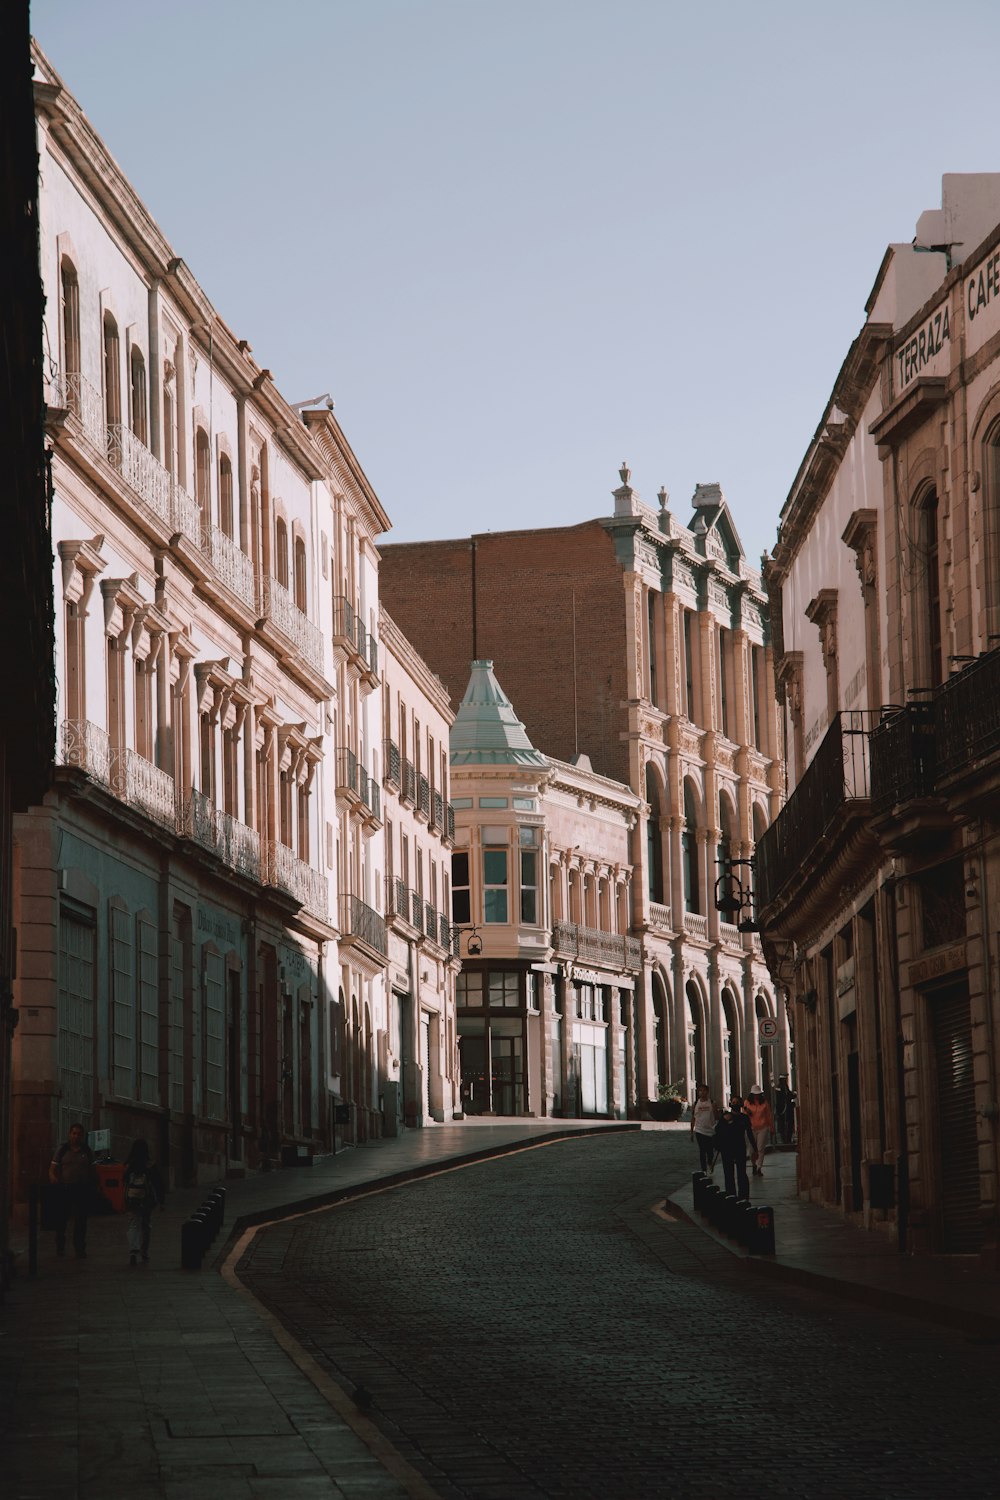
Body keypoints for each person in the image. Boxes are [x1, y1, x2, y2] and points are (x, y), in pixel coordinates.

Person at [49, 1122, 96, 1259]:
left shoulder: (86, 1151)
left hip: (82, 1189)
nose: (76, 1136)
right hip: (65, 1188)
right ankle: (60, 1246)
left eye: (79, 1134)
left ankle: (80, 1247)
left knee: (81, 1220)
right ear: (70, 1134)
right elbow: (52, 1168)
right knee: (62, 1220)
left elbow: (93, 1170)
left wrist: (94, 1185)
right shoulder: (62, 1149)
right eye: (74, 1133)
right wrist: (53, 1178)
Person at [123, 1139, 165, 1266]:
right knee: (146, 1224)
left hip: (132, 1199)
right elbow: (158, 1184)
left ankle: (133, 1251)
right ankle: (144, 1251)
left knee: (133, 1224)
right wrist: (161, 1201)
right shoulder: (150, 1165)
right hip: (146, 1199)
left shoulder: (129, 1165)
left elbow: (124, 1181)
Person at [713, 1095, 755, 1200]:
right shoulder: (725, 1117)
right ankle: (731, 1196)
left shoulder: (744, 1118)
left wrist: (755, 1148)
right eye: (733, 1102)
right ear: (730, 1104)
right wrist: (724, 1121)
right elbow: (717, 1130)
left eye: (737, 1102)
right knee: (728, 1174)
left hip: (740, 1148)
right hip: (726, 1149)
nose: (735, 1104)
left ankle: (743, 1197)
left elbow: (749, 1134)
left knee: (742, 1173)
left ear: (741, 1104)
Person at [744, 1084, 774, 1176]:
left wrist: (771, 1127)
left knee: (760, 1148)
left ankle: (759, 1167)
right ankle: (753, 1164)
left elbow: (768, 1115)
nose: (756, 1096)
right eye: (754, 1094)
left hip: (762, 1127)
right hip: (751, 1128)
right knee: (752, 1149)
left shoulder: (764, 1103)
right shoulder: (747, 1102)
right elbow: (744, 1115)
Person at [690, 1083, 718, 1174]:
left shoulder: (712, 1103)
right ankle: (704, 1169)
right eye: (700, 1091)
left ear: (707, 1092)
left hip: (710, 1130)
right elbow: (693, 1118)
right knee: (702, 1150)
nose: (702, 1092)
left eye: (704, 1091)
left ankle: (710, 1162)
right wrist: (691, 1132)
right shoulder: (695, 1104)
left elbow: (716, 1116)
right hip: (699, 1130)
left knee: (710, 1151)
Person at [774, 1075, 797, 1144]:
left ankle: (788, 1139)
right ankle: (785, 1139)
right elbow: (786, 1096)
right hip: (783, 1110)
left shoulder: (784, 1088)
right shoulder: (780, 1088)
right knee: (783, 1125)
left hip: (787, 1109)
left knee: (789, 1124)